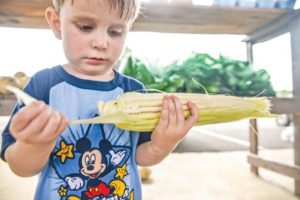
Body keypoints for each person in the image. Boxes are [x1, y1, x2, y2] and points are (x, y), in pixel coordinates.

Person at [0, 0, 198, 199]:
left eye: (115, 32)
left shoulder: (134, 91)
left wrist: (162, 145)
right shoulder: (44, 85)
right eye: (86, 27)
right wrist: (35, 146)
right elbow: (20, 168)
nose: (101, 43)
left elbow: (139, 155)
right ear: (57, 23)